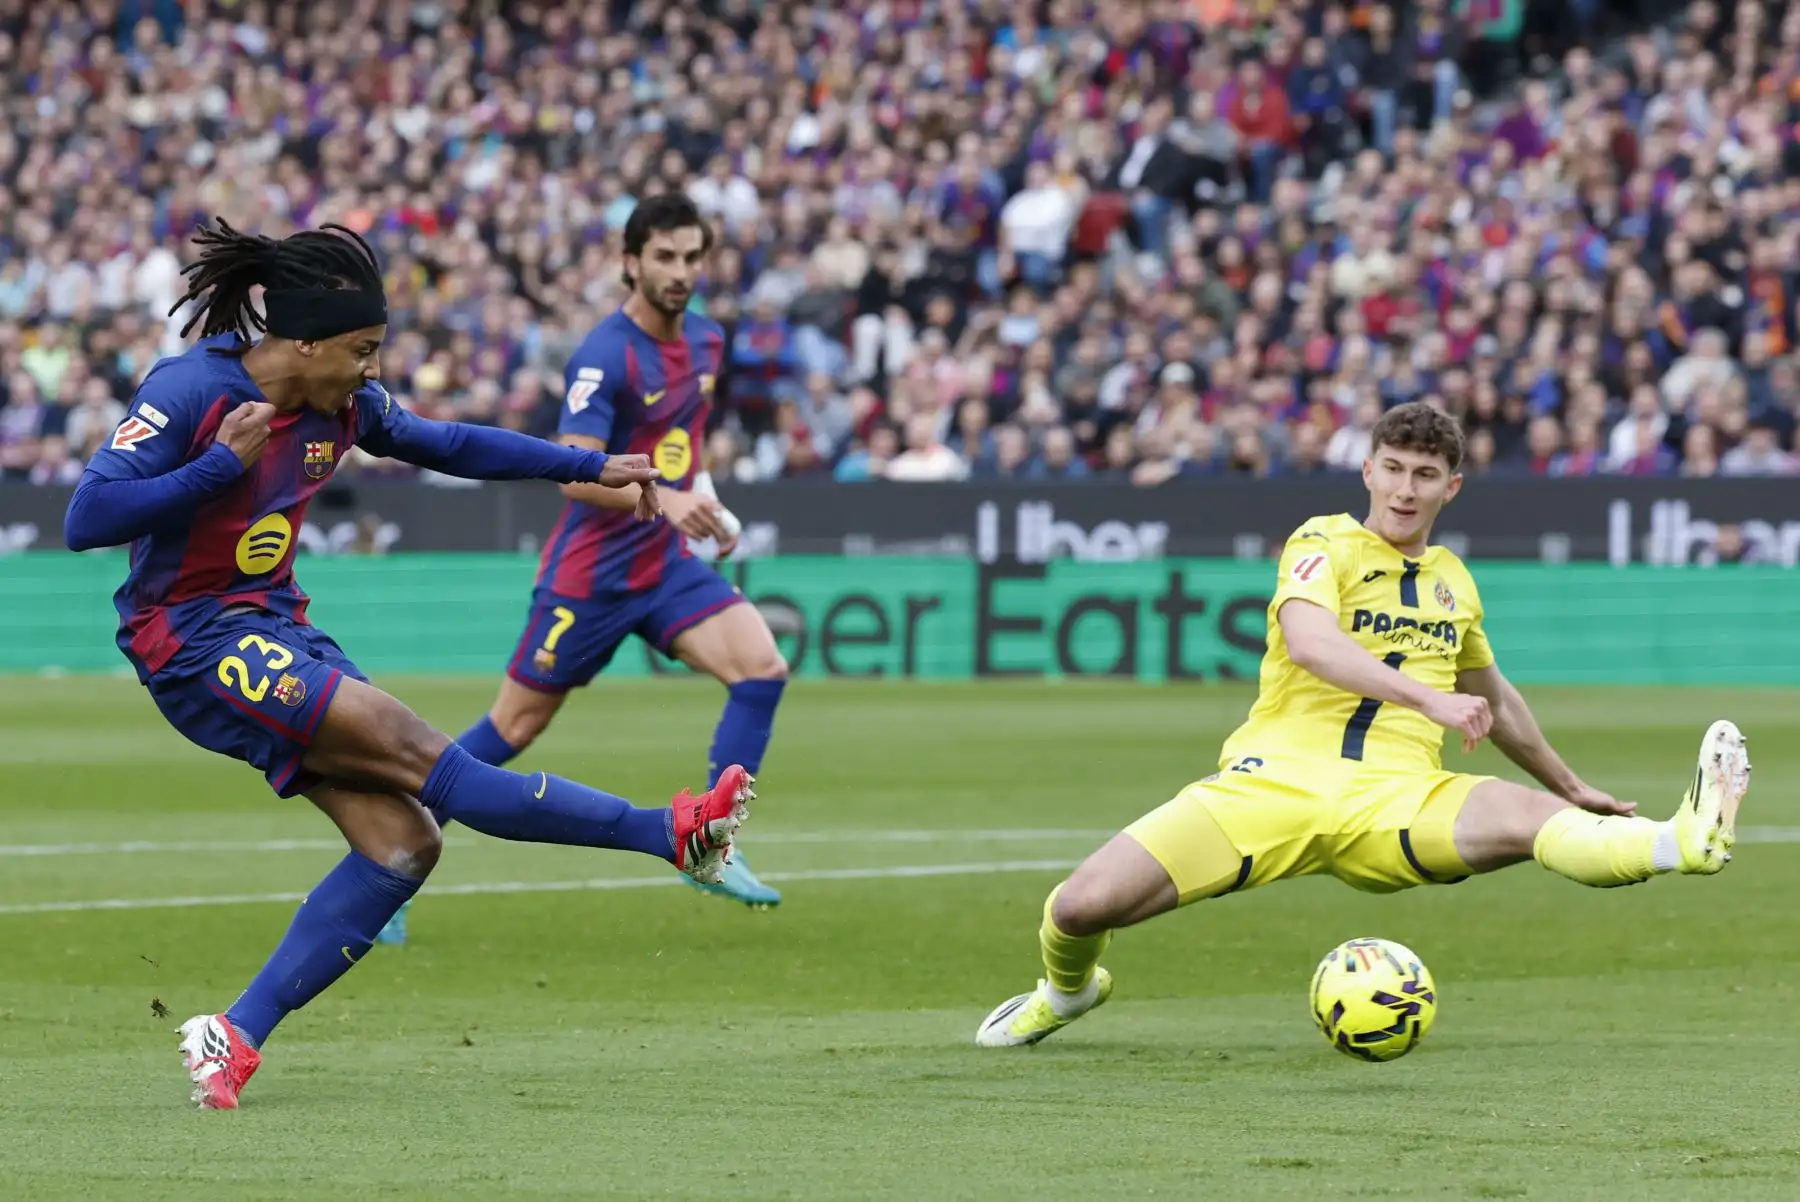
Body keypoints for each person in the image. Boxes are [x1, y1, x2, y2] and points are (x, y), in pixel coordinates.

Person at [63, 218, 758, 1109]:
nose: (373, 369)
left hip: (275, 623)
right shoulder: (194, 389)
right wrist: (213, 471)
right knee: (423, 755)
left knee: (404, 845)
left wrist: (586, 464)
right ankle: (671, 834)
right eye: (361, 349)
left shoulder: (343, 404)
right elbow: (88, 518)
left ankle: (231, 1034)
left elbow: (452, 444)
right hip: (195, 640)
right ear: (303, 342)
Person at [975, 402, 1752, 1048]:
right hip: (1268, 787)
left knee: (1537, 821)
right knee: (1077, 908)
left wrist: (1571, 783)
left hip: (1398, 797)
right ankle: (1067, 994)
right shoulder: (1323, 543)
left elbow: (1498, 697)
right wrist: (1431, 701)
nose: (1405, 491)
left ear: (1452, 486)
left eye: (1424, 476)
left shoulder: (1454, 583)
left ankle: (1680, 842)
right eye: (1393, 469)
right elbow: (1312, 644)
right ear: (1368, 470)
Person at [443, 192, 789, 914]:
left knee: (761, 668)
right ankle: (400, 835)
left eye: (692, 257)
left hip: (662, 564)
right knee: (514, 727)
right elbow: (576, 473)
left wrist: (706, 496)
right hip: (589, 577)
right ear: (630, 263)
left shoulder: (707, 342)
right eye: (664, 256)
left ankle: (711, 844)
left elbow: (682, 447)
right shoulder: (605, 354)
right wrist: (672, 496)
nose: (680, 271)